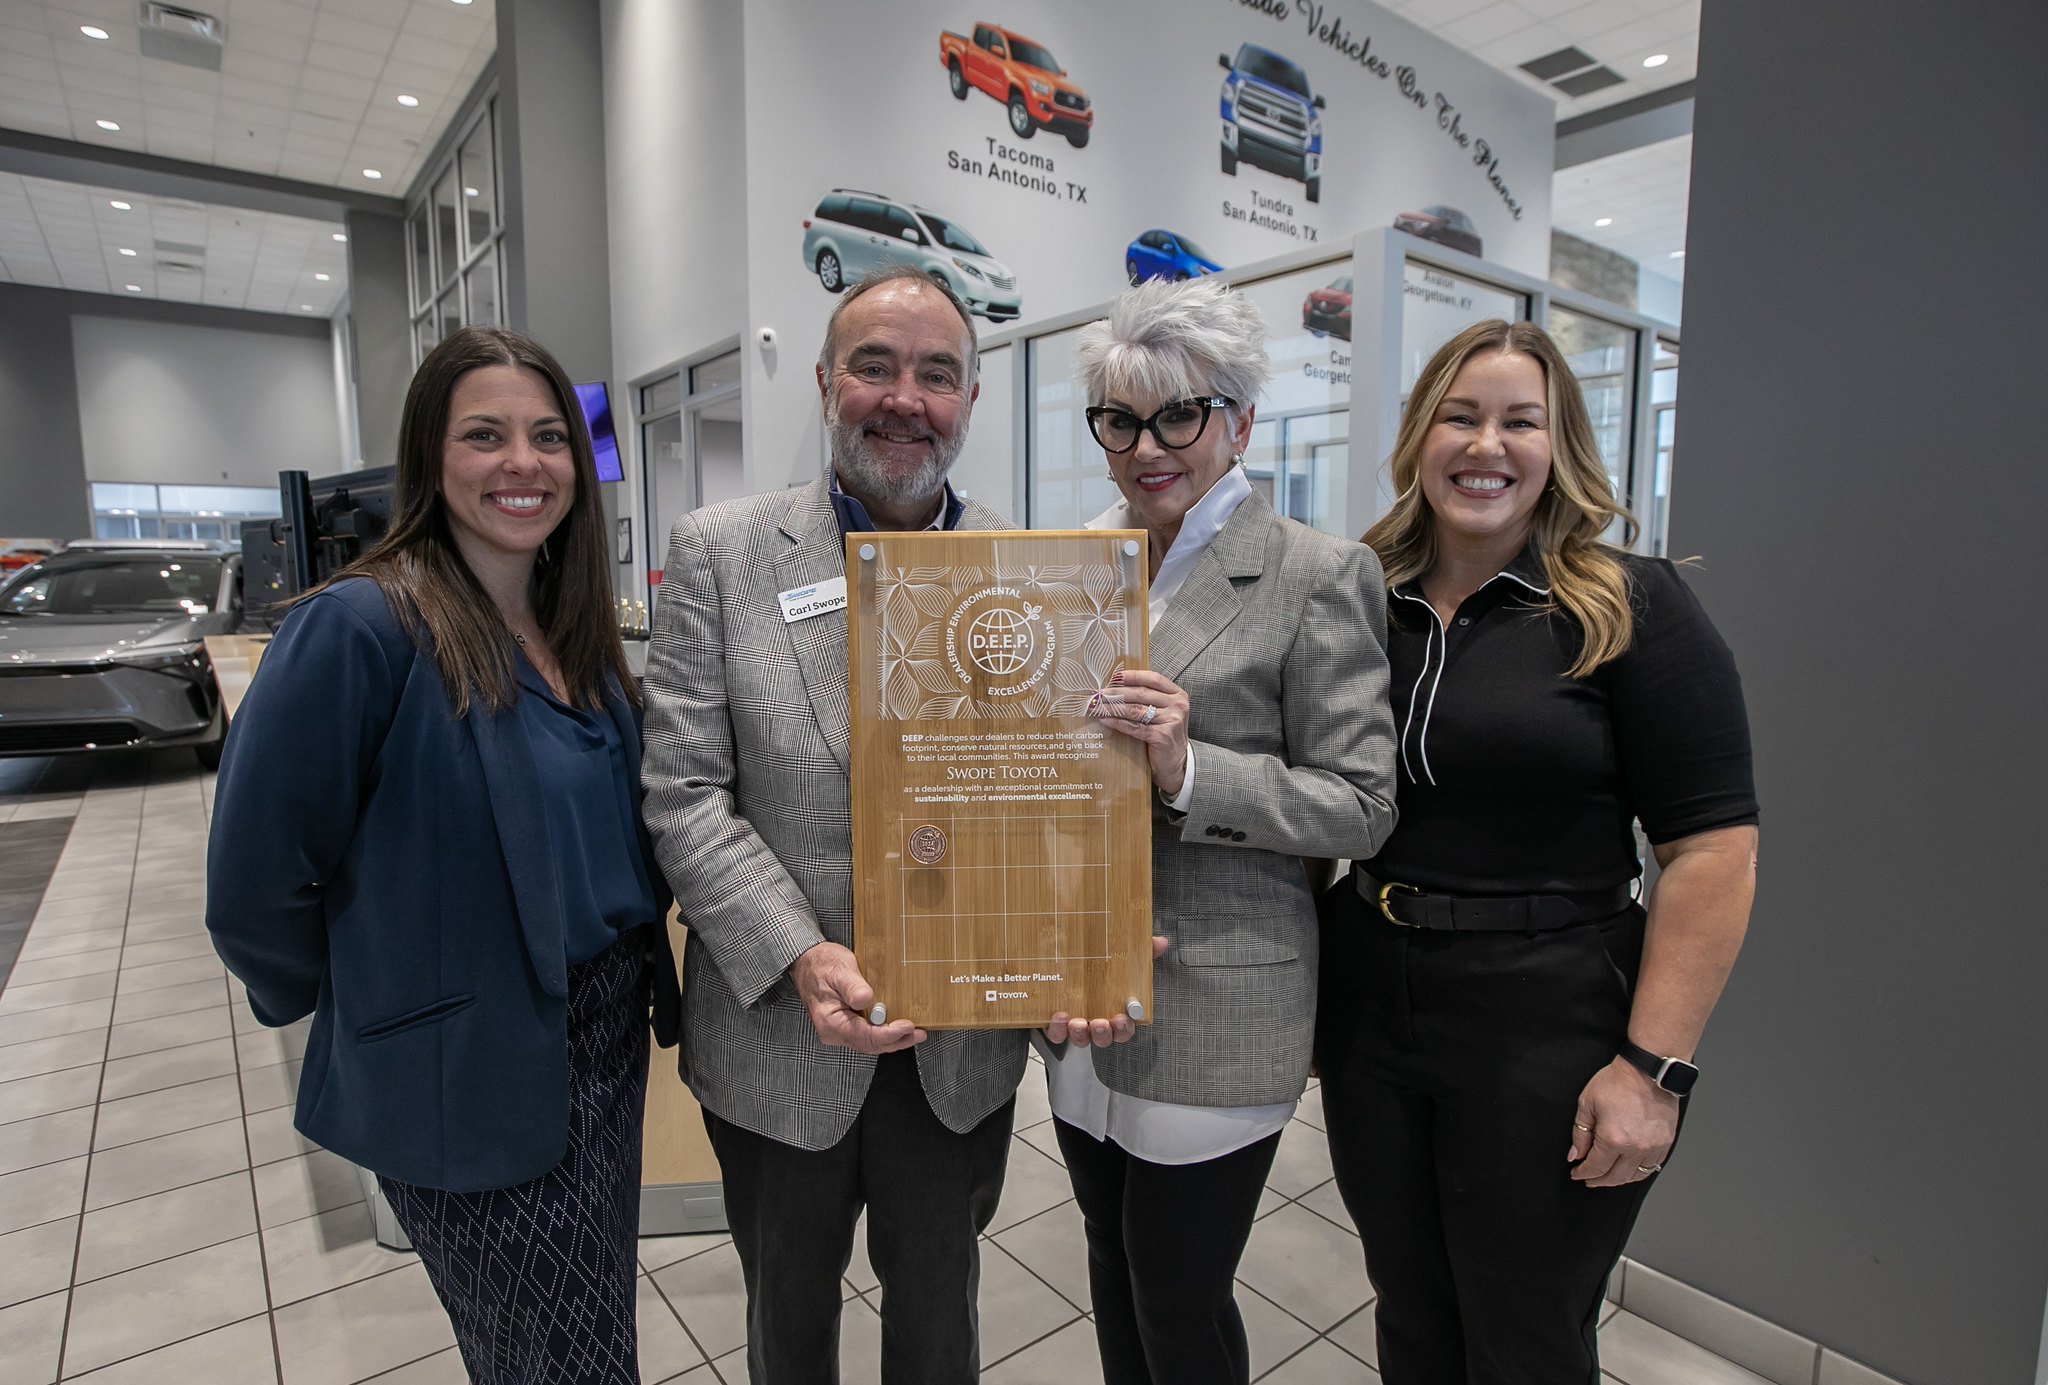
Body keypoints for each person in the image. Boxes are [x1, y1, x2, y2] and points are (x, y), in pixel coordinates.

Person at [208, 326, 677, 1385]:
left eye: (549, 436)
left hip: (598, 1049)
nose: (524, 462)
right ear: (431, 456)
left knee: (585, 1340)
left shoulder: (576, 634)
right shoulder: (359, 629)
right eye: (486, 435)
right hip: (462, 1068)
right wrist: (381, 1008)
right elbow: (251, 889)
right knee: (556, 1362)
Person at [1316, 319, 1759, 1383]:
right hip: (1372, 1001)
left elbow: (1708, 850)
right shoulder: (1355, 596)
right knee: (1410, 1305)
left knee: (1522, 1333)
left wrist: (1652, 1071)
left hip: (1548, 1015)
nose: (1487, 445)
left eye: (1522, 421)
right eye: (1460, 416)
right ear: (1419, 435)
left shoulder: (1632, 606)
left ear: (1559, 447)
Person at [641, 265, 1025, 1384]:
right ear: (822, 382)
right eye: (874, 365)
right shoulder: (720, 551)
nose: (904, 396)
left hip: (956, 1050)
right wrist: (802, 955)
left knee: (939, 1330)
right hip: (778, 1042)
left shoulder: (1036, 572)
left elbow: (1052, 804)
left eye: (936, 373)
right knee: (786, 1330)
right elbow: (683, 793)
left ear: (966, 399)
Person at [1036, 277, 1399, 1385]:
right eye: (1119, 419)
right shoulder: (1063, 564)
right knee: (1106, 1258)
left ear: (1239, 420)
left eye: (1178, 414)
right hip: (1080, 982)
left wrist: (1191, 767)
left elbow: (1361, 805)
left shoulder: (1314, 572)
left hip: (1220, 992)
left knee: (1175, 1295)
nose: (1146, 446)